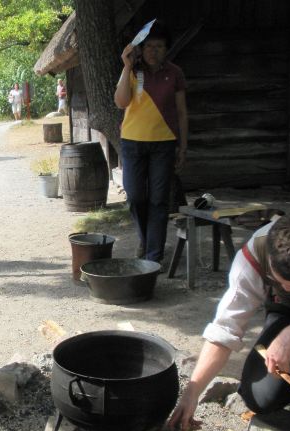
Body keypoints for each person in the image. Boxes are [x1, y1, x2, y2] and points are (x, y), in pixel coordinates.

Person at [168, 203, 290, 431]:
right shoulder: (254, 256)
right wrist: (192, 392)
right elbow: (225, 329)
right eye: (280, 283)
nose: (286, 289)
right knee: (261, 397)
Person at [114, 21, 188, 263]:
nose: (153, 51)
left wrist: (183, 146)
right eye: (149, 46)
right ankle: (145, 240)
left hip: (164, 143)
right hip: (132, 143)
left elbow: (181, 112)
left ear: (166, 49)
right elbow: (121, 102)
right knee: (135, 196)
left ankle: (153, 257)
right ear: (140, 48)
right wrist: (126, 66)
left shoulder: (174, 73)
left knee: (158, 200)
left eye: (159, 46)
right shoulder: (133, 71)